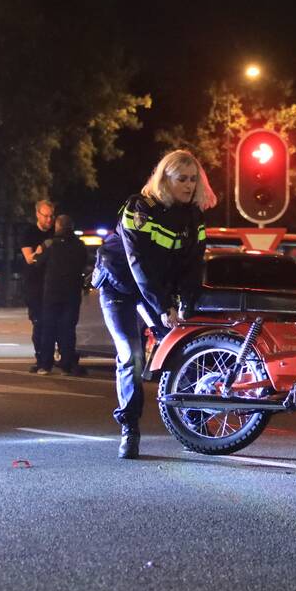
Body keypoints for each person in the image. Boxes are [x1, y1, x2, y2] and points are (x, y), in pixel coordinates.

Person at [91, 150, 216, 459]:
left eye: (193, 179)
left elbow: (193, 266)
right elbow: (139, 264)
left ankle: (193, 419)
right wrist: (162, 307)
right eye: (181, 179)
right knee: (131, 354)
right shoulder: (139, 208)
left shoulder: (194, 217)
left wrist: (186, 303)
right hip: (120, 285)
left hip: (155, 290)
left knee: (182, 349)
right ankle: (129, 429)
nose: (189, 185)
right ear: (164, 180)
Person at [33, 214, 88, 376]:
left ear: (57, 226)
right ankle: (67, 365)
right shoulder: (80, 246)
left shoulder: (50, 245)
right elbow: (84, 264)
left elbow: (37, 263)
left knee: (48, 329)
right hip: (72, 293)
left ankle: (45, 365)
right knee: (68, 330)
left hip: (52, 293)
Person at [20, 200, 55, 373]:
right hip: (35, 285)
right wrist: (40, 249)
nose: (49, 220)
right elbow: (29, 259)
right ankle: (40, 358)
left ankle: (51, 358)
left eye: (51, 216)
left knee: (52, 323)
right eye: (45, 216)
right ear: (37, 214)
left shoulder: (56, 232)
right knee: (39, 322)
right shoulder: (29, 233)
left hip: (53, 284)